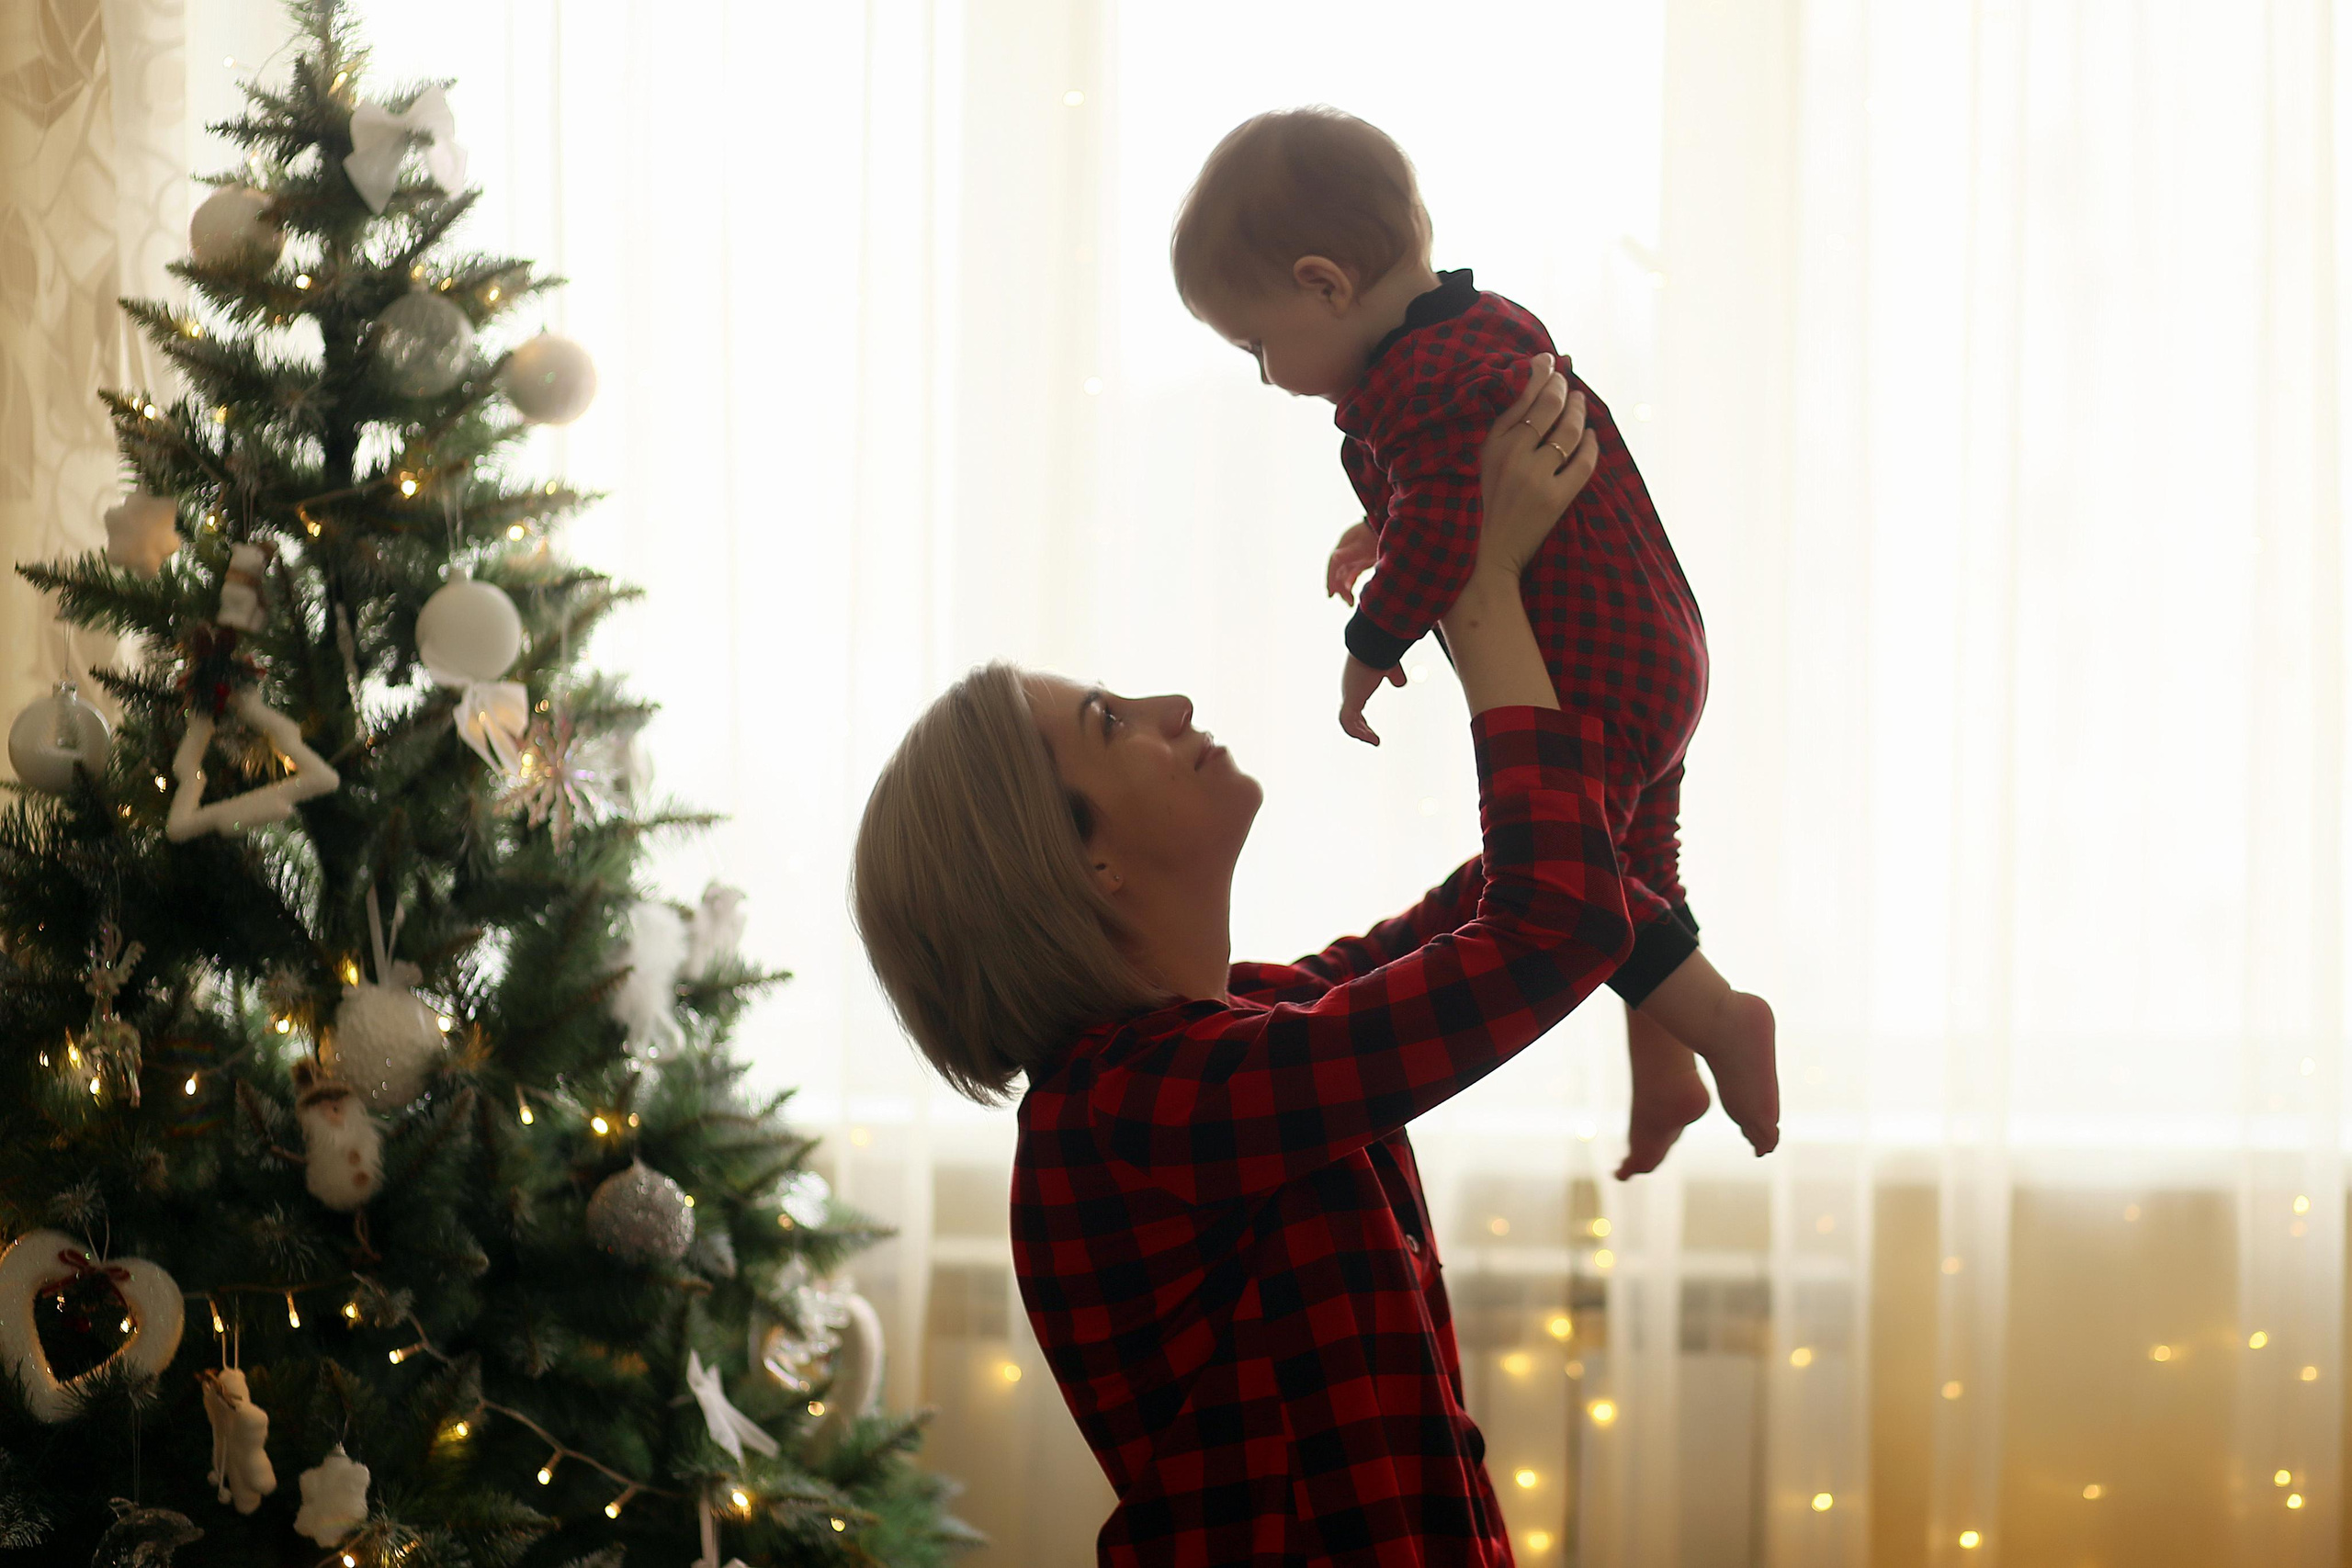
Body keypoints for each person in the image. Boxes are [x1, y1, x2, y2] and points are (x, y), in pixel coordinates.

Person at [856, 360, 1644, 1565]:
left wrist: (1514, 575)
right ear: (1082, 868)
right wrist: (1478, 602)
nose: (1172, 702)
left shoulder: (1252, 1019)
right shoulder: (1135, 1113)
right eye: (1111, 723)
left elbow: (1536, 885)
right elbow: (1556, 924)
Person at [1168, 105, 1777, 1178]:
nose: (1266, 375)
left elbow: (1451, 525)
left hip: (1591, 654)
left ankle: (1724, 1020)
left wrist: (1370, 640)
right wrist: (1383, 522)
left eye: (1259, 344)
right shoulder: (1479, 329)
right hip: (1656, 640)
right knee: (1633, 862)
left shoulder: (1416, 382)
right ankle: (1666, 1067)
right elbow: (1438, 490)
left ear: (1324, 283)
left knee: (1580, 869)